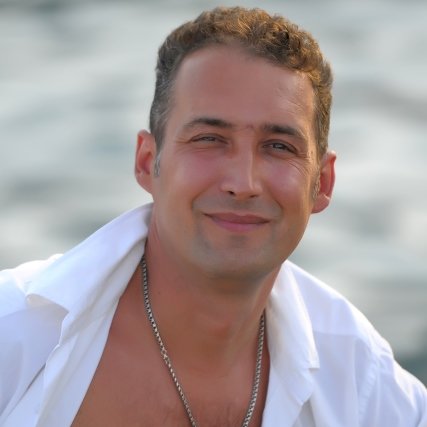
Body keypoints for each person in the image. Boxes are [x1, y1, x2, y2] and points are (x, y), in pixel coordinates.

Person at [0, 6, 426, 427]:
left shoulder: (361, 381)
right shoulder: (15, 333)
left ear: (323, 182)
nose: (243, 183)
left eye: (279, 146)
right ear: (148, 162)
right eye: (209, 139)